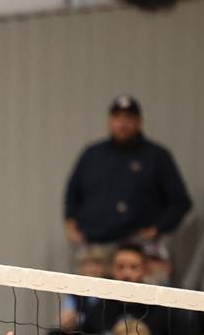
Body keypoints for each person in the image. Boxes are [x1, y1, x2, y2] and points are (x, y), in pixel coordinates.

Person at [64, 94, 192, 247]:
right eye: (117, 117)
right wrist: (71, 224)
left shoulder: (157, 156)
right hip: (94, 245)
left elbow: (180, 202)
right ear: (110, 121)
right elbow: (72, 193)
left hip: (140, 246)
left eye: (129, 118)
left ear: (139, 122)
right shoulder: (92, 154)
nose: (123, 123)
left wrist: (158, 228)